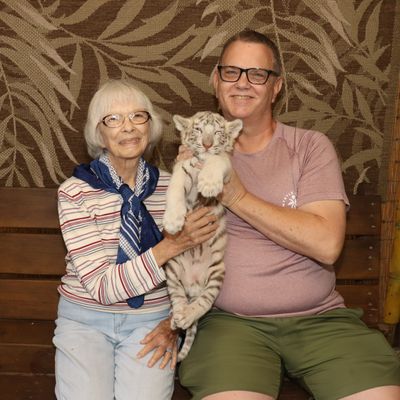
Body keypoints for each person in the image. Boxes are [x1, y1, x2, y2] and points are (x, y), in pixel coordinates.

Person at [178, 30, 400, 400]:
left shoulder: (309, 147)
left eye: (257, 74)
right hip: (230, 325)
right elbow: (176, 251)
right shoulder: (195, 152)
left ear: (276, 87)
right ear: (216, 81)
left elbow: (326, 245)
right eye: (232, 72)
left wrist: (235, 195)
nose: (242, 83)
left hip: (320, 319)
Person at [53, 79, 218, 400]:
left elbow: (199, 271)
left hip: (152, 323)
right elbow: (103, 288)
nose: (128, 127)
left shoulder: (173, 187)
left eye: (137, 116)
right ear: (98, 133)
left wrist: (174, 323)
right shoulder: (74, 192)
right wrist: (171, 245)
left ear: (150, 126)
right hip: (85, 321)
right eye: (113, 119)